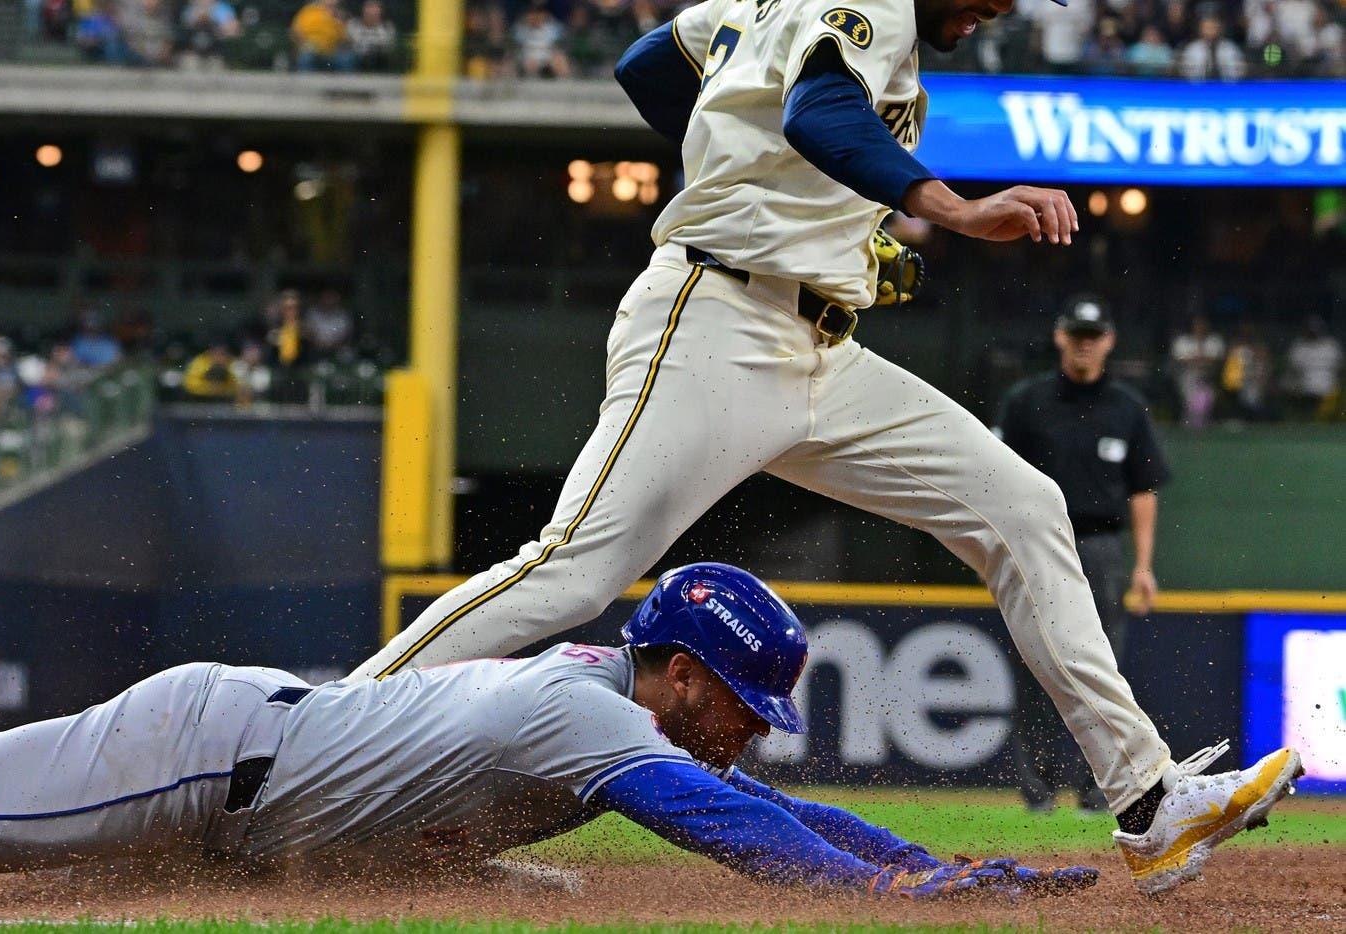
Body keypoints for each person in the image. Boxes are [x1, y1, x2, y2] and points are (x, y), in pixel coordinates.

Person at [354, 0, 1304, 895]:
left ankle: (1148, 800)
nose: (1002, 9)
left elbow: (651, 65)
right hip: (714, 323)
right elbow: (818, 112)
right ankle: (320, 734)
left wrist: (791, 203)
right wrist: (948, 207)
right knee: (573, 571)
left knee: (1021, 505)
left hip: (819, 348)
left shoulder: (774, 6)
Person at [0, 564, 1102, 898]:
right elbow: (743, 829)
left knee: (525, 893)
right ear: (673, 670)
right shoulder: (575, 707)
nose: (753, 730)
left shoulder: (611, 708)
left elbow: (783, 810)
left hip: (269, 813)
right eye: (741, 700)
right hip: (203, 751)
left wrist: (921, 864)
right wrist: (885, 890)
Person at [993, 299, 1170, 814]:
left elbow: (1144, 491)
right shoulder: (1026, 402)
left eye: (1094, 334)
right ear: (1060, 337)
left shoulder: (1127, 407)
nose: (1086, 343)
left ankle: (1102, 788)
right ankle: (1038, 788)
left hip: (1100, 545)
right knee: (1033, 662)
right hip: (1037, 541)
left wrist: (1143, 565)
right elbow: (997, 477)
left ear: (1109, 341)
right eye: (1078, 334)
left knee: (1102, 667)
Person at [1282, 315, 1341, 420]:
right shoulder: (1299, 346)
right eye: (1310, 330)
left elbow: (1339, 368)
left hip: (1327, 390)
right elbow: (1292, 370)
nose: (1313, 333)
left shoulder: (1330, 346)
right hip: (1304, 389)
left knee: (1323, 418)